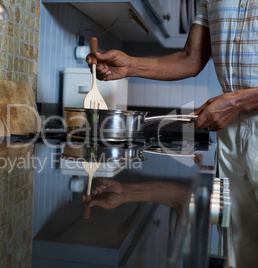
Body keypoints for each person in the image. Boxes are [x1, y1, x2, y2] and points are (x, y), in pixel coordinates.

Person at [86, 1, 258, 267]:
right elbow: (191, 58)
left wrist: (239, 101)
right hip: (232, 132)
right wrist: (130, 66)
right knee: (237, 254)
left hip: (238, 112)